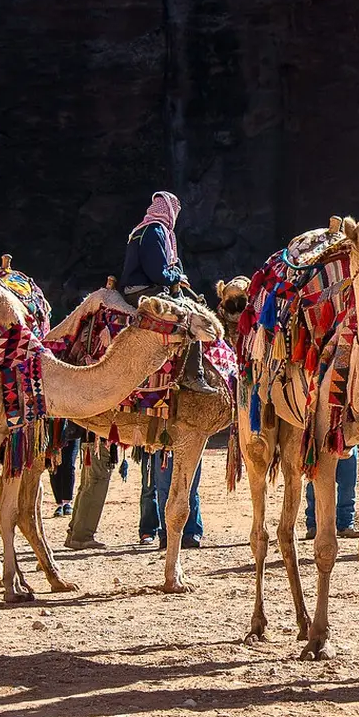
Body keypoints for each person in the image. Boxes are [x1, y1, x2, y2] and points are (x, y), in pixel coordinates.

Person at [120, 190, 214, 394]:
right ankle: (193, 376)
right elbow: (158, 272)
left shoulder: (142, 230)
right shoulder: (154, 231)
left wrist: (175, 275)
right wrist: (176, 278)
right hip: (144, 291)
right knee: (190, 319)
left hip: (138, 287)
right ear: (170, 211)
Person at [65, 431, 112, 550]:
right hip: (99, 444)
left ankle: (75, 534)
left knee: (87, 488)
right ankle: (82, 537)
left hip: (90, 441)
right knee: (94, 489)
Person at [304, 446, 359, 540]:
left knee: (348, 484)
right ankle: (313, 525)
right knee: (315, 484)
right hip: (321, 442)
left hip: (347, 443)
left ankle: (346, 525)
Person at [48, 421, 80, 516]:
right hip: (53, 430)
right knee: (55, 466)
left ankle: (67, 502)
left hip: (72, 430)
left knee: (69, 465)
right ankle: (59, 503)